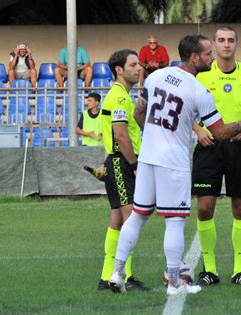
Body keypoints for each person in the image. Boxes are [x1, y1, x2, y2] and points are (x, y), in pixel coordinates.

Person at [108, 34, 241, 295]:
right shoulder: (199, 90)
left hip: (148, 157)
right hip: (173, 162)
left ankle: (117, 273)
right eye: (209, 52)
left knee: (138, 216)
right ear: (195, 57)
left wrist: (155, 135)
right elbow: (221, 133)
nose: (212, 56)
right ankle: (175, 282)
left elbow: (138, 112)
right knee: (174, 221)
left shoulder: (155, 76)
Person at [191, 26, 241, 287]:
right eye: (221, 40)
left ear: (237, 44)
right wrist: (198, 129)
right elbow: (185, 110)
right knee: (204, 207)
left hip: (239, 148)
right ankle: (209, 270)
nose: (226, 45)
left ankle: (239, 271)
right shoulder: (200, 75)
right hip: (209, 147)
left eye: (230, 40)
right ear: (213, 44)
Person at [97, 49, 147, 292]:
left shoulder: (121, 95)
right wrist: (134, 165)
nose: (139, 68)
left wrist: (105, 162)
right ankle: (124, 276)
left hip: (116, 161)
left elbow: (112, 135)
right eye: (133, 65)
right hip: (122, 162)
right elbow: (119, 134)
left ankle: (107, 276)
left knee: (118, 219)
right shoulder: (118, 97)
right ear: (119, 69)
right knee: (131, 219)